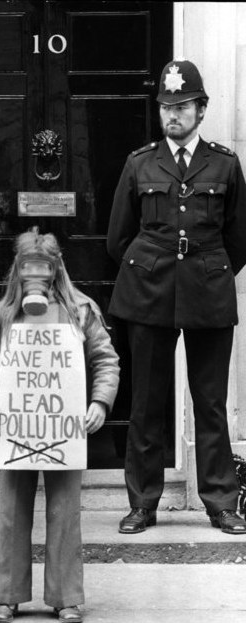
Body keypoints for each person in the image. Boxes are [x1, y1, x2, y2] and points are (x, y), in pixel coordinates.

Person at [107, 59, 246, 535]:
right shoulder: (140, 162)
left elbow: (239, 239)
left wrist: (206, 268)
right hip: (149, 290)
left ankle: (221, 502)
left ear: (201, 110)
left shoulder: (225, 163)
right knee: (146, 401)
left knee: (209, 402)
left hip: (207, 291)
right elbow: (118, 238)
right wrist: (153, 265)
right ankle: (143, 502)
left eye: (183, 106)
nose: (174, 115)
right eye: (167, 106)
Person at [0, 227, 119, 623]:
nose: (35, 276)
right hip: (20, 426)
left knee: (65, 510)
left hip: (65, 426)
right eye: (27, 268)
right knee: (11, 510)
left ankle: (66, 596)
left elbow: (106, 360)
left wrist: (99, 403)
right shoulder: (5, 314)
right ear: (16, 271)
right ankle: (6, 595)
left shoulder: (80, 310)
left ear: (57, 270)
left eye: (43, 268)